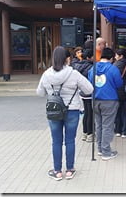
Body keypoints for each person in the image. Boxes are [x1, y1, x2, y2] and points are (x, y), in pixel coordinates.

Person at [36, 46, 93, 181]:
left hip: (54, 111)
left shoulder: (46, 74)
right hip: (72, 110)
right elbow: (89, 89)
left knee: (56, 141)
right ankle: (69, 170)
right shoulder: (73, 74)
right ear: (67, 58)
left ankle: (57, 171)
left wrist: (51, 91)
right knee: (70, 140)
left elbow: (40, 93)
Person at [88, 47, 123, 161]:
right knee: (107, 126)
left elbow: (89, 84)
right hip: (110, 100)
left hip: (95, 100)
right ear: (112, 58)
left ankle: (99, 149)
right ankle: (106, 152)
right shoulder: (113, 69)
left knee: (98, 125)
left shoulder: (92, 69)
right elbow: (119, 84)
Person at [72, 49, 94, 142]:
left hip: (81, 92)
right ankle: (90, 134)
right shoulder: (91, 67)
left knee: (86, 112)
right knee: (90, 113)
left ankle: (84, 133)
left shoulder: (76, 66)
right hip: (89, 91)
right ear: (89, 57)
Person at [113, 48, 126, 138]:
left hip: (117, 91)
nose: (115, 57)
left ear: (121, 56)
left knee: (117, 111)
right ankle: (125, 131)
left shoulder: (114, 65)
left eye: (116, 55)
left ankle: (117, 130)